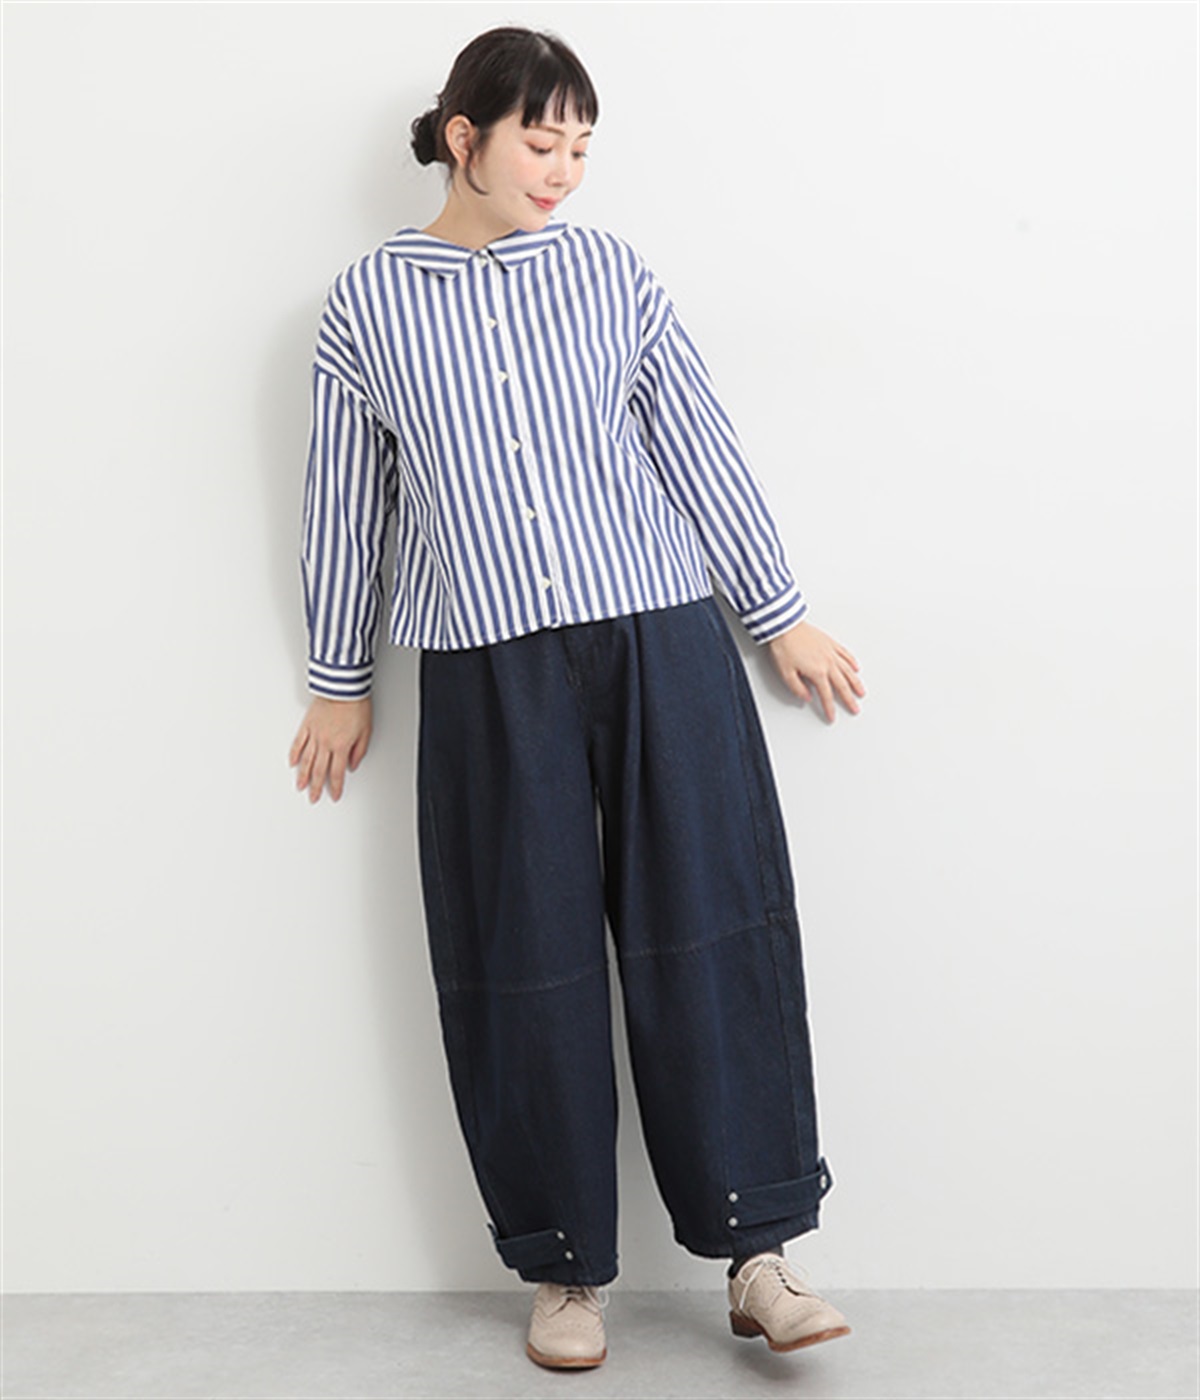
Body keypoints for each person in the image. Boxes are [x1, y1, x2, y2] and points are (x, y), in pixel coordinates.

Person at [288, 24, 865, 1372]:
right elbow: (344, 503)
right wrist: (338, 680)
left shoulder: (613, 274)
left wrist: (777, 612)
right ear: (464, 138)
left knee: (710, 926)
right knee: (520, 951)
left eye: (582, 148)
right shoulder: (368, 306)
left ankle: (760, 1256)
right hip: (484, 657)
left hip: (659, 634)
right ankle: (563, 1271)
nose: (564, 170)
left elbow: (696, 441)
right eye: (541, 142)